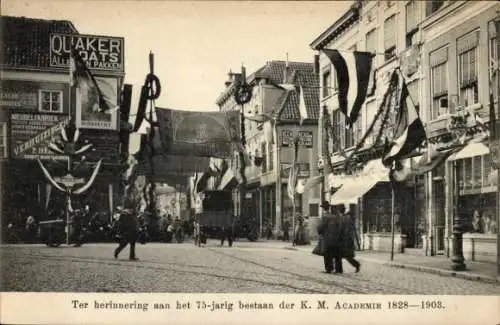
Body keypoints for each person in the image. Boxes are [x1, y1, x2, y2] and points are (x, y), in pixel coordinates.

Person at [317, 201, 342, 274]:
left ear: (323, 208)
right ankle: (336, 268)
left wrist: (319, 231)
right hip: (335, 237)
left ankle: (328, 268)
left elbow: (321, 227)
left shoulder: (325, 216)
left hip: (327, 237)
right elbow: (339, 227)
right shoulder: (334, 216)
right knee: (333, 253)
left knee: (326, 253)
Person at [338, 204, 361, 273]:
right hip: (347, 240)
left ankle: (356, 265)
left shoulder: (344, 218)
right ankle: (339, 269)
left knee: (345, 255)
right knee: (342, 255)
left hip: (345, 240)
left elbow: (343, 230)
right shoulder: (347, 218)